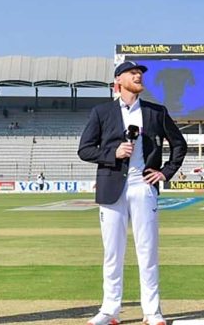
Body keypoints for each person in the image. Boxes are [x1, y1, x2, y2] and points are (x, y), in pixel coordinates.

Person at [78, 61, 187, 325]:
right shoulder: (102, 112)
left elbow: (179, 144)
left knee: (147, 251)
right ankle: (110, 309)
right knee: (112, 253)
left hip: (143, 186)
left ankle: (152, 310)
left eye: (140, 73)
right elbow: (84, 149)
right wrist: (112, 154)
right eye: (132, 73)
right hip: (111, 187)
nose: (138, 75)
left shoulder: (155, 112)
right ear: (118, 80)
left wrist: (165, 172)